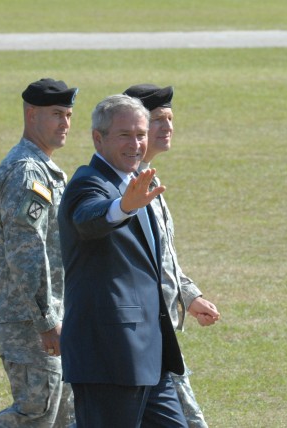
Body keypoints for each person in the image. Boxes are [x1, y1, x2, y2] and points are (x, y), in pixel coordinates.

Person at [58, 94, 188, 427]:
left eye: (141, 135)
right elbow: (89, 220)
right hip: (109, 355)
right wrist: (123, 208)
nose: (136, 144)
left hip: (149, 354)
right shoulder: (88, 182)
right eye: (125, 135)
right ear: (98, 138)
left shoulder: (136, 183)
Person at [124, 83, 221, 427]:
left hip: (156, 331)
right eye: (158, 120)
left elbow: (161, 258)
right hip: (138, 335)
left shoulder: (148, 178)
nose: (167, 127)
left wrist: (189, 296)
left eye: (170, 119)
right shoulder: (125, 186)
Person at [0, 78, 78, 428]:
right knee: (37, 411)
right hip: (28, 318)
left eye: (68, 115)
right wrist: (46, 320)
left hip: (51, 312)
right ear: (31, 114)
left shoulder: (45, 168)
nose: (65, 123)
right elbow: (27, 254)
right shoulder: (27, 172)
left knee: (63, 413)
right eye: (56, 114)